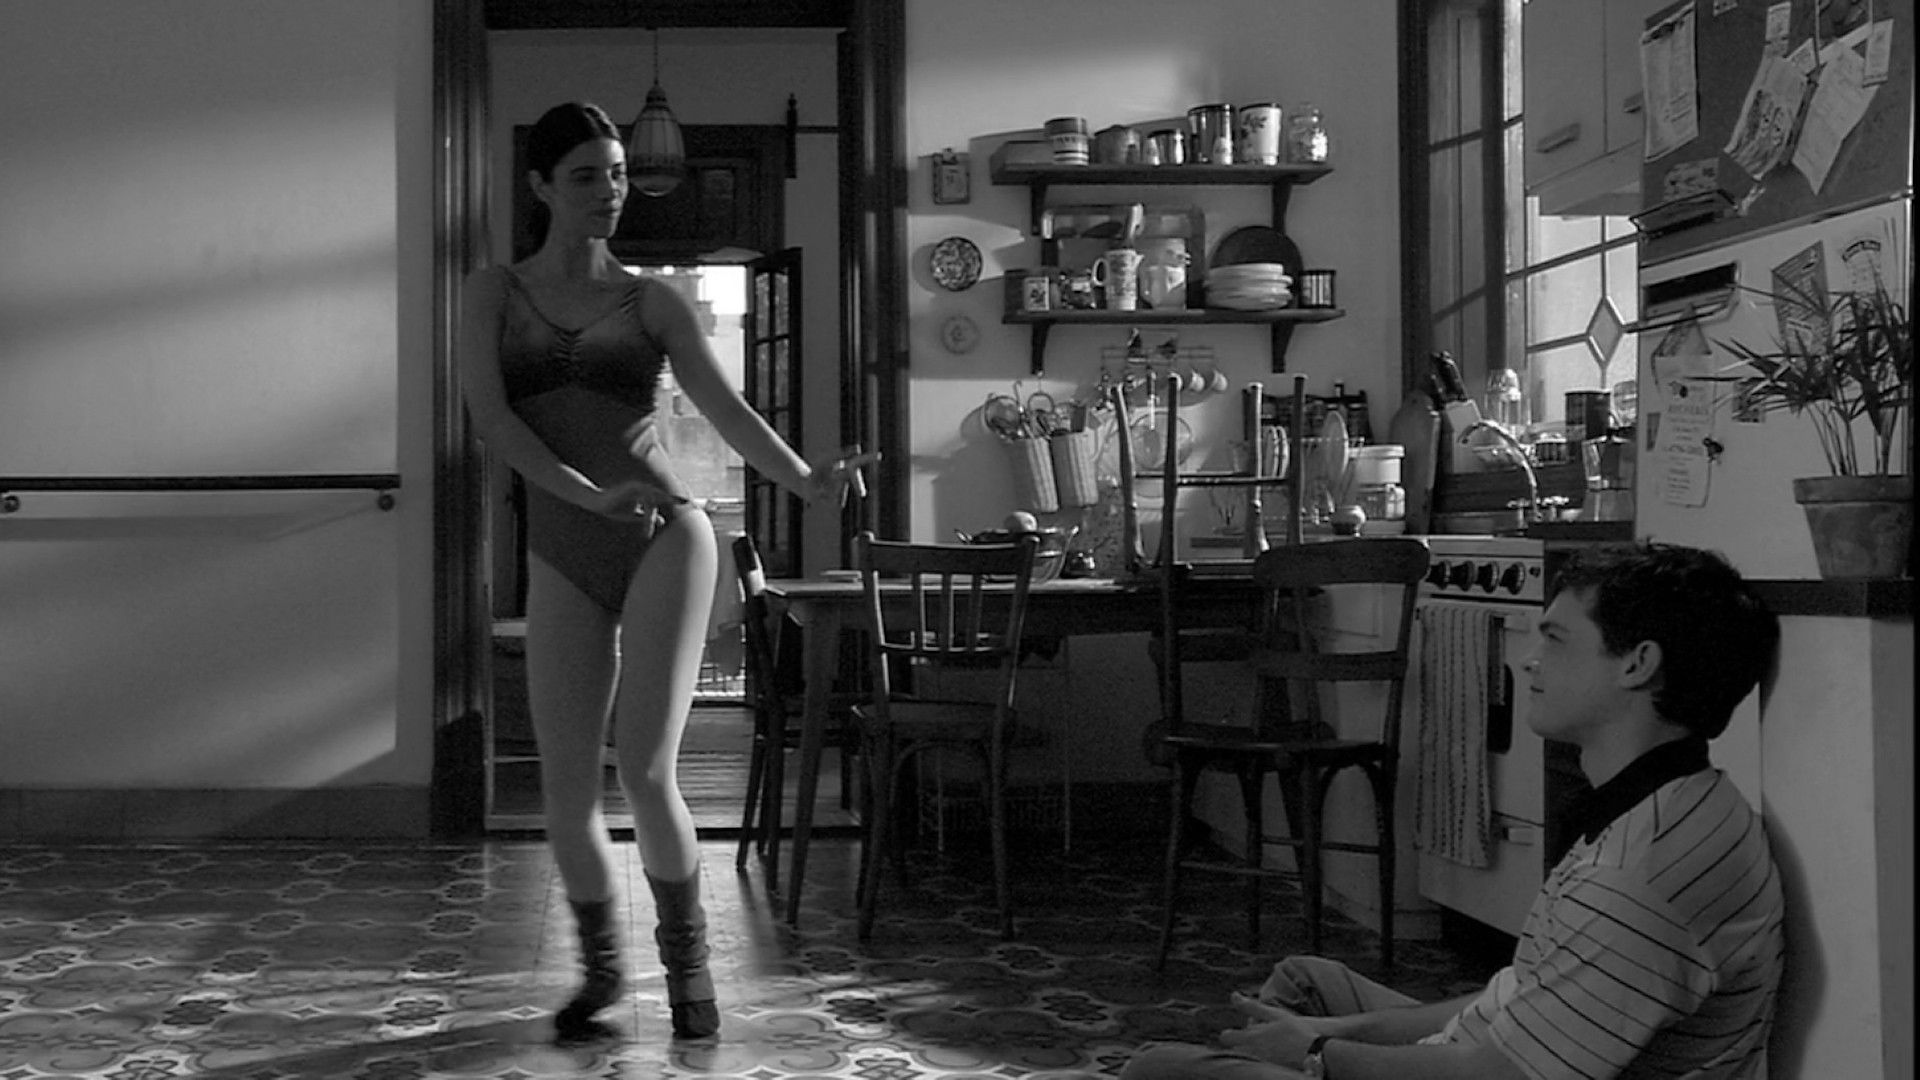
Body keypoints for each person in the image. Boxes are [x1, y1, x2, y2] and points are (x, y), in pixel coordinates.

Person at [457, 101, 876, 1043]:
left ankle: (689, 974)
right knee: (568, 792)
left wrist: (808, 481)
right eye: (586, 176)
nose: (610, 192)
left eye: (615, 174)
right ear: (540, 186)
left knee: (647, 771)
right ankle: (602, 974)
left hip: (664, 535)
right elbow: (495, 423)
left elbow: (729, 412)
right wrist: (585, 494)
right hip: (564, 545)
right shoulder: (492, 293)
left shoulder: (653, 302)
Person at [1121, 541, 1783, 1079]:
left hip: (1485, 1071)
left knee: (1160, 1070)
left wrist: (1317, 1053)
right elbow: (1523, 992)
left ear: (1638, 665)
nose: (1530, 661)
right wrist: (1332, 1031)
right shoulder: (1682, 797)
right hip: (1489, 1048)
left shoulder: (1629, 882)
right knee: (1305, 982)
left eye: (1555, 639)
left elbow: (1502, 1074)